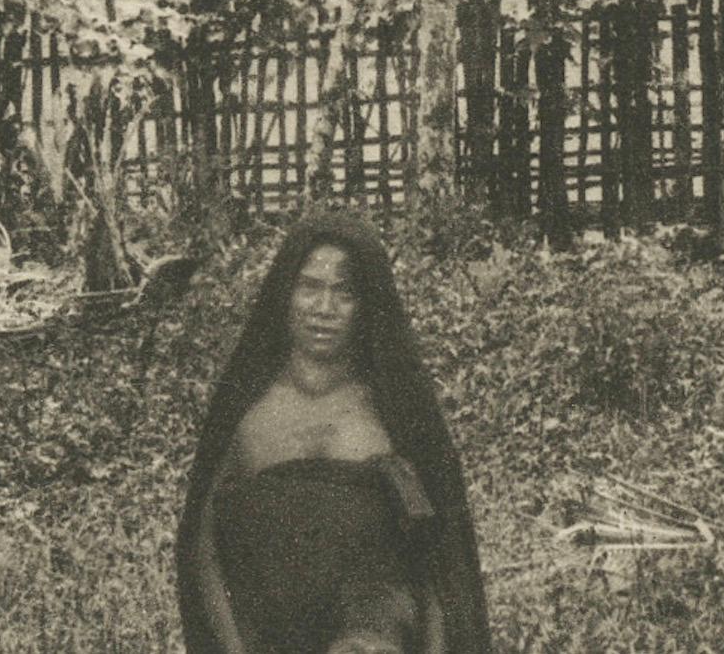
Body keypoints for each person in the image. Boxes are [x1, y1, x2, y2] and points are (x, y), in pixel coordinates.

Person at [177, 212, 490, 654]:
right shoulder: (244, 409)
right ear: (285, 295)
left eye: (344, 291)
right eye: (309, 286)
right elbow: (202, 545)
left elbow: (439, 562)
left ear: (367, 304)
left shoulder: (396, 409)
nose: (323, 309)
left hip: (375, 628)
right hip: (263, 631)